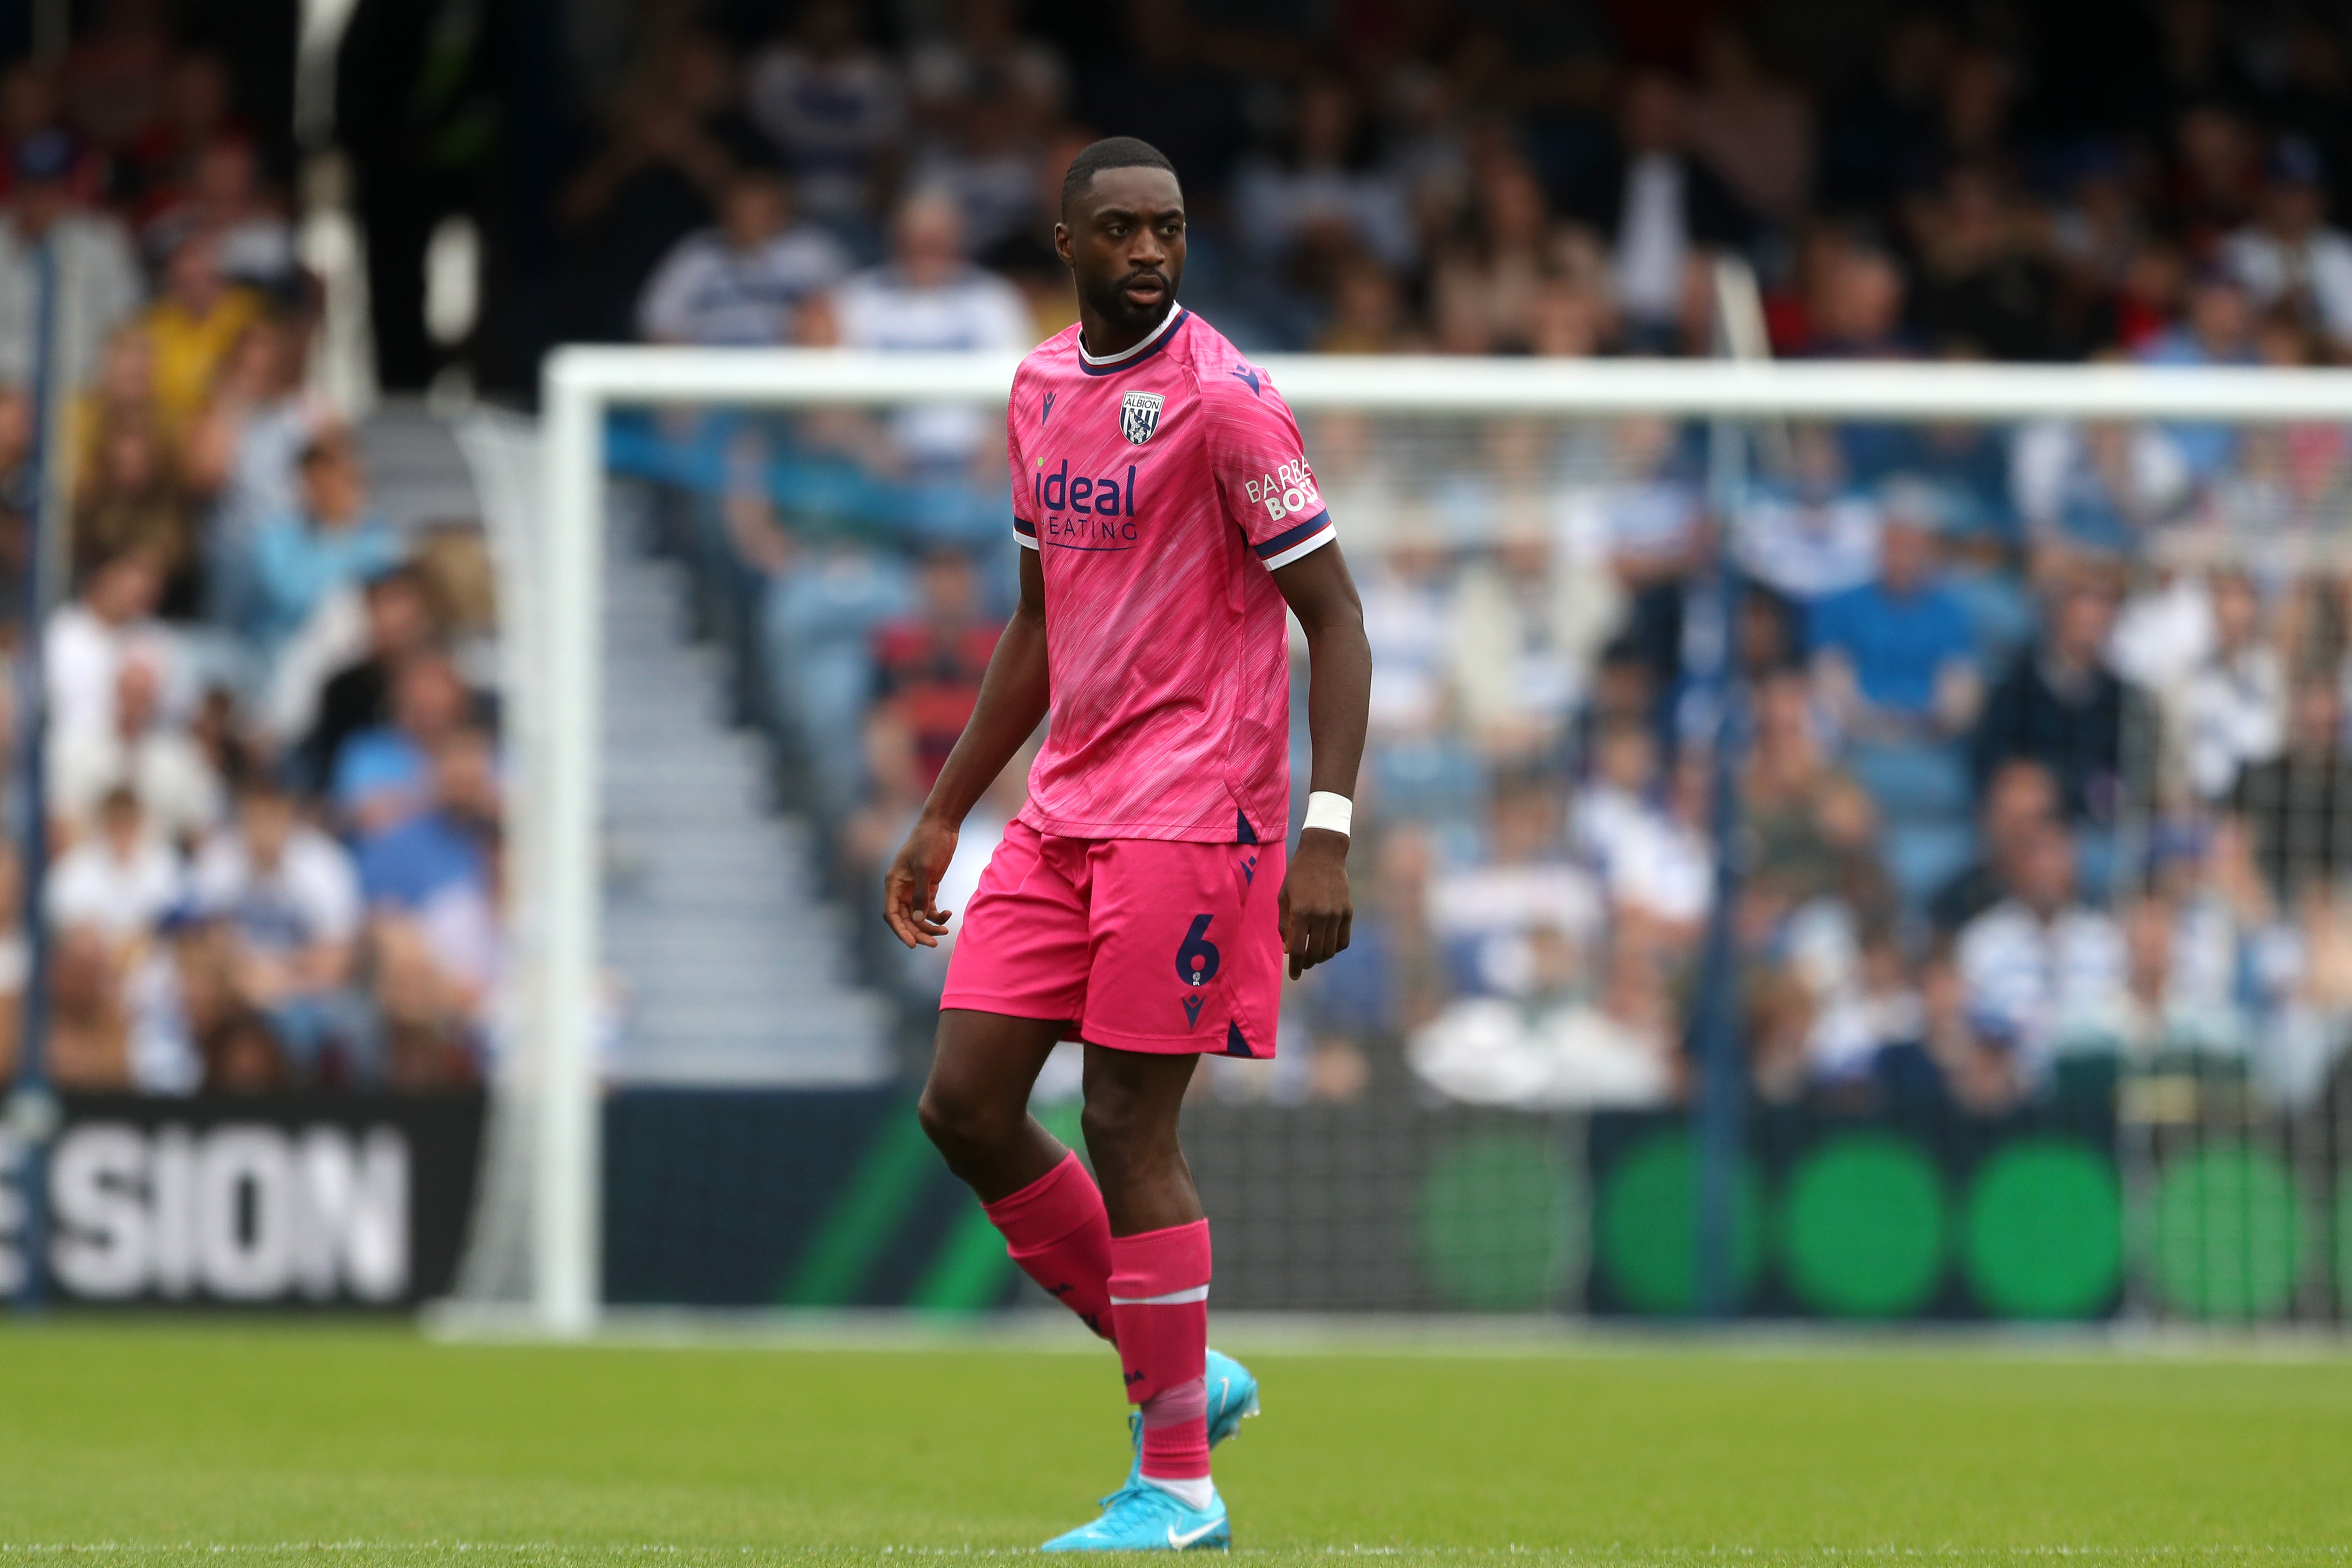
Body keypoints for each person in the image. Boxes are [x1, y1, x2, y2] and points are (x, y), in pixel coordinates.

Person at [881, 137, 1370, 1550]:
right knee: (964, 1105)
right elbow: (1038, 622)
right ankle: (1181, 1370)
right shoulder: (1039, 389)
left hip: (1194, 806)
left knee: (1123, 1121)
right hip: (1065, 807)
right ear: (1065, 243)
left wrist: (1321, 836)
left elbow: (1335, 619)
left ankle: (1181, 1484)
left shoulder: (1225, 405)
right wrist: (946, 805)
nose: (1149, 250)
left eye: (1168, 227)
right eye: (1119, 228)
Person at [635, 168, 851, 347]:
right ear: (724, 214)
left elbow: (844, 320)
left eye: (759, 211)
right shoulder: (698, 254)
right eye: (741, 210)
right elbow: (658, 321)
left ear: (782, 215)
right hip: (709, 378)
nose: (749, 219)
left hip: (790, 377)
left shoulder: (811, 251)